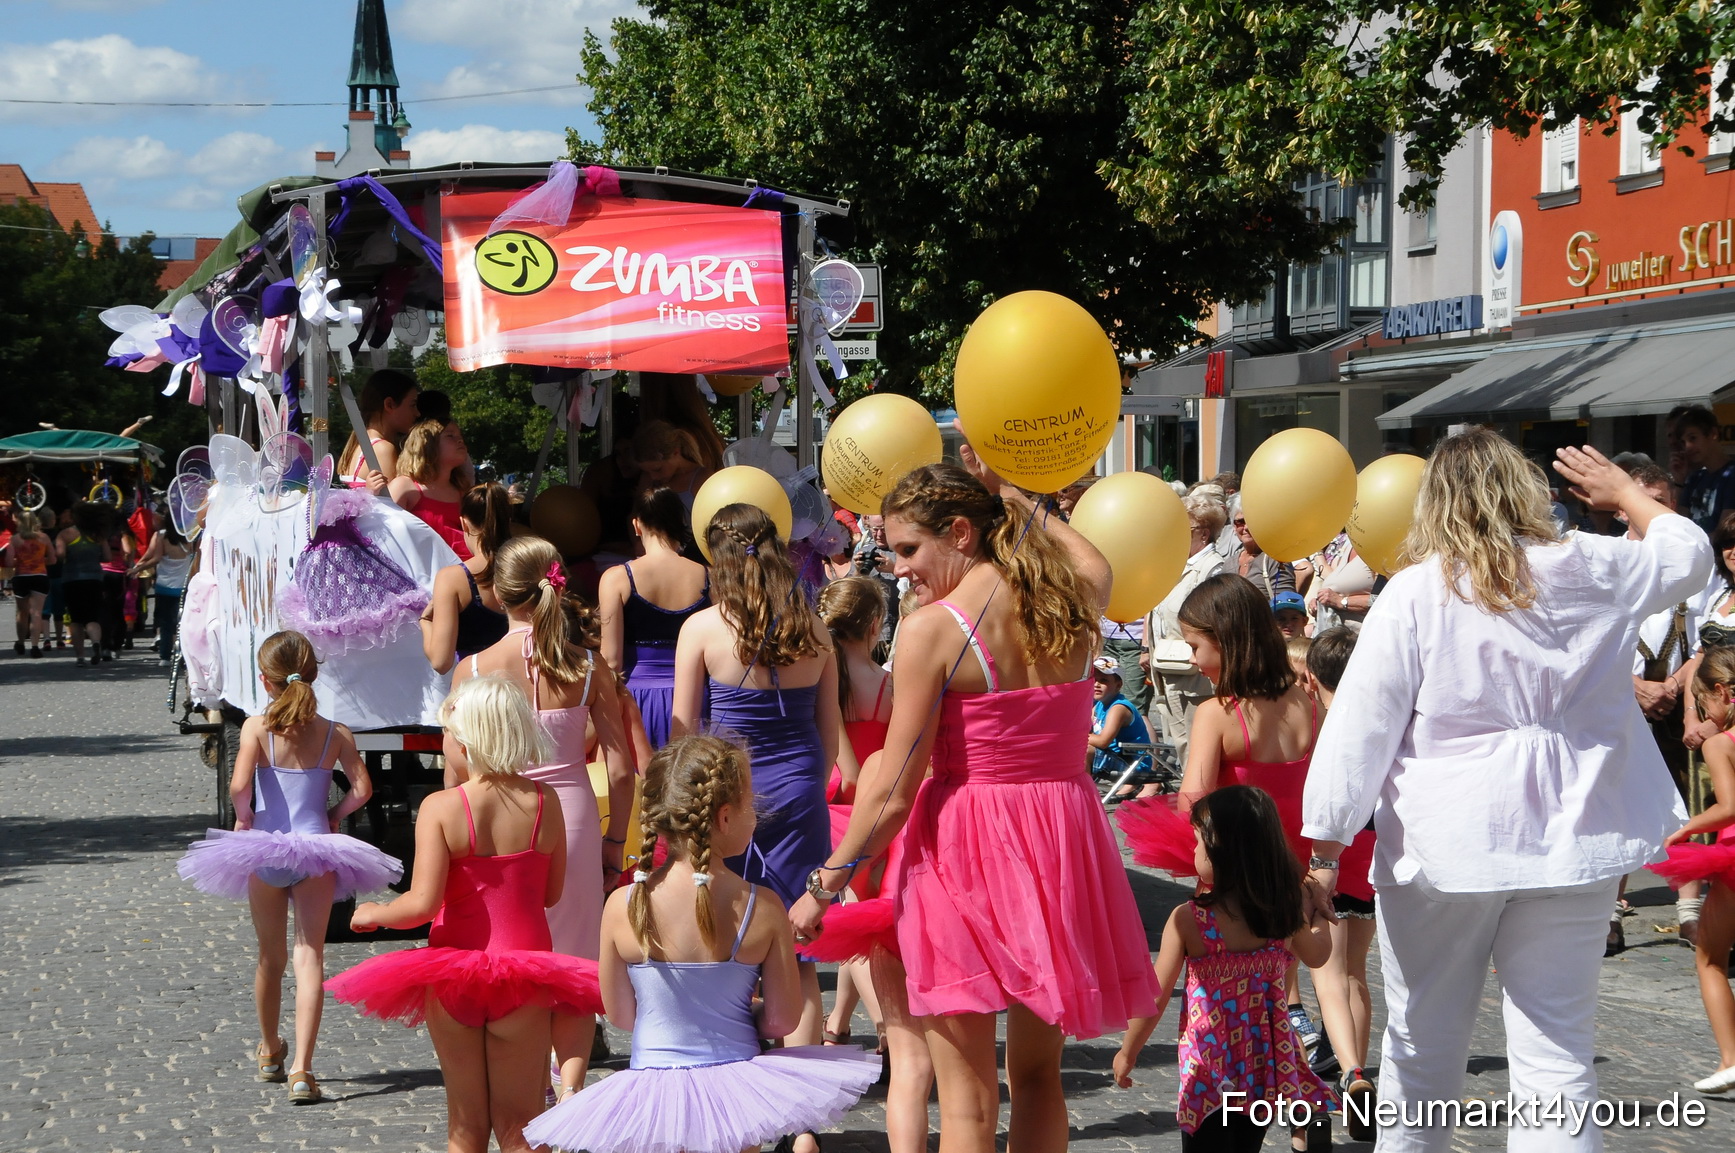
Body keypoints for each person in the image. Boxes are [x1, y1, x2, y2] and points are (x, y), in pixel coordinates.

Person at [1301, 433, 1709, 1151]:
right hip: (1572, 829)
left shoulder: (1419, 589)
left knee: (1421, 1041)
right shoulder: (1591, 563)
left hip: (1447, 836)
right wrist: (1625, 495)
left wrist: (1325, 844)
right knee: (1556, 1051)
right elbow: (1688, 555)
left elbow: (1360, 725)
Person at [792, 458, 1159, 1153]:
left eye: (906, 548)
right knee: (1038, 1077)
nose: (897, 568)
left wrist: (825, 882)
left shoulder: (935, 629)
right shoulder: (1075, 599)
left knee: (964, 1099)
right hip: (1061, 842)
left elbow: (895, 788)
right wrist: (1013, 492)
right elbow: (1093, 557)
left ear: (960, 532)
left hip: (966, 849)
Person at [523, 735, 881, 1153]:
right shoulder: (762, 907)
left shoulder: (622, 905)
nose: (755, 815)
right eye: (751, 804)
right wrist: (735, 1010)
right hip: (736, 1090)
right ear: (724, 818)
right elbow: (783, 1021)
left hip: (653, 1089)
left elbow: (621, 1013)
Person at [328, 676, 603, 1153]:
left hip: (456, 973)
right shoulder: (546, 802)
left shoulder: (441, 808)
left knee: (465, 1127)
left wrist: (375, 913)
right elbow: (551, 894)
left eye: (448, 735)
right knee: (523, 1128)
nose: (445, 744)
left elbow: (421, 904)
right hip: (524, 975)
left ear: (469, 741)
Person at [672, 503, 855, 1143]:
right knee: (799, 954)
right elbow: (829, 735)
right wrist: (803, 781)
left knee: (731, 944)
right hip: (801, 783)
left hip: (728, 792)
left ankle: (744, 1109)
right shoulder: (815, 627)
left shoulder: (702, 628)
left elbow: (684, 731)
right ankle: (803, 1126)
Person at [452, 535, 636, 1098]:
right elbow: (621, 765)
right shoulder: (586, 666)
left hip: (501, 815)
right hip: (574, 816)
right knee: (576, 952)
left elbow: (456, 768)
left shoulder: (475, 668)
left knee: (513, 946)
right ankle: (572, 1085)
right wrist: (616, 841)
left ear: (497, 594)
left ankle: (524, 1076)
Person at [176, 631, 394, 1104]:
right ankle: (302, 1069)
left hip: (267, 851)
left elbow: (238, 785)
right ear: (312, 676)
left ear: (265, 680)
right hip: (318, 852)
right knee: (309, 956)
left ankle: (271, 1049)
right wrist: (334, 817)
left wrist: (243, 817)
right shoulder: (336, 732)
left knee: (270, 958)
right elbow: (363, 789)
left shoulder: (257, 728)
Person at [1115, 786, 1335, 1151]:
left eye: (1199, 842)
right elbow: (1318, 955)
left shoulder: (1190, 920)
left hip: (1209, 1069)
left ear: (1223, 850)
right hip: (1264, 1066)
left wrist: (1128, 1051)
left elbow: (1156, 994)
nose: (1194, 850)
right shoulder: (1282, 913)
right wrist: (1322, 911)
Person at [1299, 625, 1378, 1139]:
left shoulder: (1310, 725)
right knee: (1356, 975)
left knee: (1327, 976)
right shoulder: (1377, 721)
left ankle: (1347, 1072)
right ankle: (1360, 1073)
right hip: (1369, 852)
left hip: (1327, 853)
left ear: (1310, 678)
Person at [814, 576, 895, 1053]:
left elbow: (846, 776)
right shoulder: (890, 685)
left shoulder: (824, 682)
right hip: (882, 810)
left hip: (839, 814)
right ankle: (846, 1024)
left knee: (855, 923)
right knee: (861, 920)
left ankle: (886, 1027)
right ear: (875, 625)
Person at [1652, 647, 1735, 1093]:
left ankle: (1731, 1058)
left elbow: (1729, 807)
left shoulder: (1721, 743)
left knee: (1710, 957)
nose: (1704, 712)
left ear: (1721, 692)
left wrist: (1683, 831)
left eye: (1703, 702)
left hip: (1734, 859)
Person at [597, 486, 711, 750]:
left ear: (637, 525)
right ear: (680, 523)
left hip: (637, 701)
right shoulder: (708, 577)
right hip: (697, 699)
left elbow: (611, 660)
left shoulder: (617, 578)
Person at [1144, 491, 1230, 778]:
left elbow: (1213, 620)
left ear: (1203, 533)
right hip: (1168, 669)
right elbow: (1155, 609)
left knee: (1198, 750)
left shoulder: (1211, 567)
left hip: (1195, 676)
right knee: (1182, 746)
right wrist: (1148, 647)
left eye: (1185, 529)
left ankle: (1202, 808)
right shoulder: (1177, 564)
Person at [420, 483, 513, 674]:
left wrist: (425, 621)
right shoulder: (529, 564)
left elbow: (441, 662)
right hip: (527, 682)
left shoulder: (452, 578)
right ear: (508, 520)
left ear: (464, 524)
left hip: (477, 690)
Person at [388, 418, 474, 559]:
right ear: (426, 446)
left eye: (460, 436)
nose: (460, 440)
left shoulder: (463, 490)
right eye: (450, 435)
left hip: (465, 571)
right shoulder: (405, 486)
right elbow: (385, 532)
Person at [338, 368, 420, 486]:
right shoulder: (383, 449)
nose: (417, 413)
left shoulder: (358, 443)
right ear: (389, 405)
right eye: (412, 405)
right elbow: (392, 503)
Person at [55, 502, 111, 666]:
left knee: (76, 619)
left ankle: (80, 657)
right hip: (94, 579)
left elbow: (60, 555)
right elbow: (107, 557)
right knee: (92, 617)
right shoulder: (98, 535)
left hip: (72, 579)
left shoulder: (65, 535)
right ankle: (95, 643)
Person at [130, 521, 193, 662]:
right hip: (184, 587)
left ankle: (165, 656)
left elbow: (155, 558)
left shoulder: (161, 536)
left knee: (165, 623)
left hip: (164, 586)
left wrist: (137, 568)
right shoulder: (190, 538)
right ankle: (182, 655)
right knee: (182, 623)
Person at [1090, 655, 1154, 789]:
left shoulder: (1118, 708)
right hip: (1112, 756)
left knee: (1085, 750)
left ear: (1118, 685)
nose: (1096, 684)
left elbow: (1103, 741)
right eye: (1094, 679)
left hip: (1133, 764)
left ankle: (1083, 792)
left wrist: (1074, 736)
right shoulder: (1099, 705)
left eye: (1104, 680)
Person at [1672, 404, 1735, 533]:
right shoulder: (1695, 478)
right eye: (1683, 442)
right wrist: (1679, 481)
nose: (1688, 447)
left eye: (1693, 438)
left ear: (1713, 433)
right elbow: (1676, 523)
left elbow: (1725, 531)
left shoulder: (1731, 475)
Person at [632, 419, 713, 507]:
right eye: (647, 472)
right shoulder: (647, 482)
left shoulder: (702, 480)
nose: (653, 477)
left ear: (675, 452)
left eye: (657, 469)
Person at [1306, 531, 1376, 631]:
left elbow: (1386, 599)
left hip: (1358, 638)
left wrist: (1341, 602)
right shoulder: (1350, 546)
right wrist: (1319, 602)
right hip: (1331, 638)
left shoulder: (1382, 552)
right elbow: (1337, 587)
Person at [1228, 497, 1297, 600]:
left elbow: (1286, 607)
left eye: (1251, 521)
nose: (1246, 527)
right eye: (1240, 522)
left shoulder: (1276, 559)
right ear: (1234, 526)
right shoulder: (1229, 563)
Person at [4, 510, 51, 658]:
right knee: (36, 613)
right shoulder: (44, 537)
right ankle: (35, 646)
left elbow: (9, 562)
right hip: (40, 576)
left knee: (22, 612)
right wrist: (40, 562)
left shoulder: (15, 539)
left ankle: (21, 642)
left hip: (21, 576)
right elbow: (54, 558)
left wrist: (20, 562)